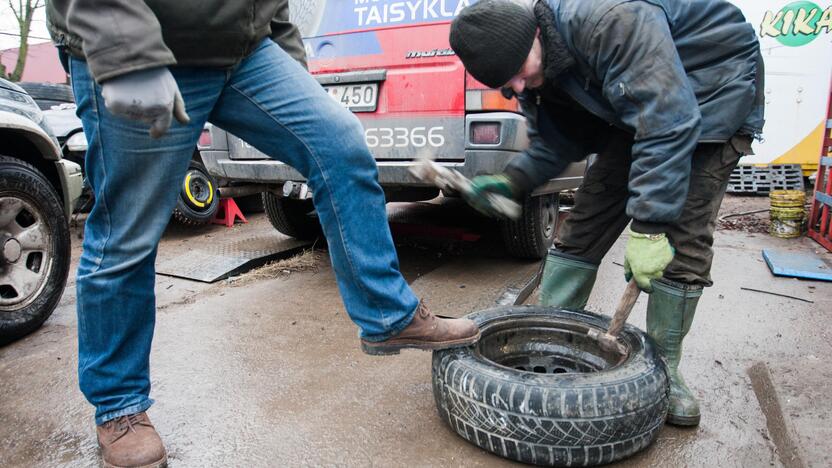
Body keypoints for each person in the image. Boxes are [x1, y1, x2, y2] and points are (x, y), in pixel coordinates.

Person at [46, 1, 480, 466]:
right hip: (146, 41)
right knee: (126, 234)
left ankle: (388, 316)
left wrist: (292, 68)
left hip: (245, 49)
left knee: (338, 144)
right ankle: (120, 406)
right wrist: (123, 48)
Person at [449, 0, 764, 427]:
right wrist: (514, 181)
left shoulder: (607, 19)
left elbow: (668, 120)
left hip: (714, 89)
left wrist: (651, 228)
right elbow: (560, 140)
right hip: (637, 106)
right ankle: (550, 333)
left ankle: (662, 369)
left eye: (519, 71)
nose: (519, 87)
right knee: (586, 221)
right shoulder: (535, 70)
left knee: (682, 236)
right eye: (508, 84)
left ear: (535, 35)